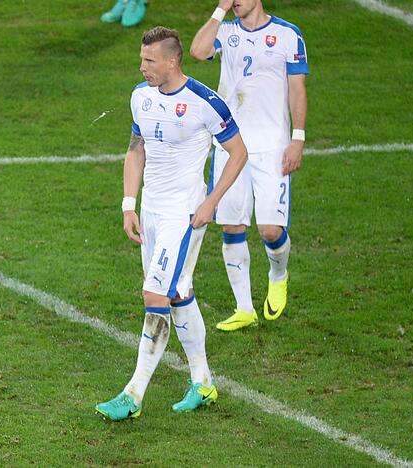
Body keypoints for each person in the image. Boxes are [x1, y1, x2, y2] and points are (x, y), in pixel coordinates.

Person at [95, 26, 248, 421]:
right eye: (141, 59)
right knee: (178, 291)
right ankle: (203, 381)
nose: (142, 66)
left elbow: (238, 152)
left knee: (154, 295)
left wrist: (212, 201)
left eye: (149, 60)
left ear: (172, 60)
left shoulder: (203, 101)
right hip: (152, 212)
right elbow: (136, 148)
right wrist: (129, 205)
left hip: (185, 212)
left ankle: (134, 394)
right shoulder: (140, 97)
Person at [190, 0, 308, 331]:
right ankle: (244, 308)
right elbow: (197, 52)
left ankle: (278, 273)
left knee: (270, 229)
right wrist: (220, 10)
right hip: (231, 145)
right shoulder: (225, 32)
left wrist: (297, 138)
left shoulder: (288, 35)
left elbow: (298, 89)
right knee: (231, 225)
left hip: (272, 146)